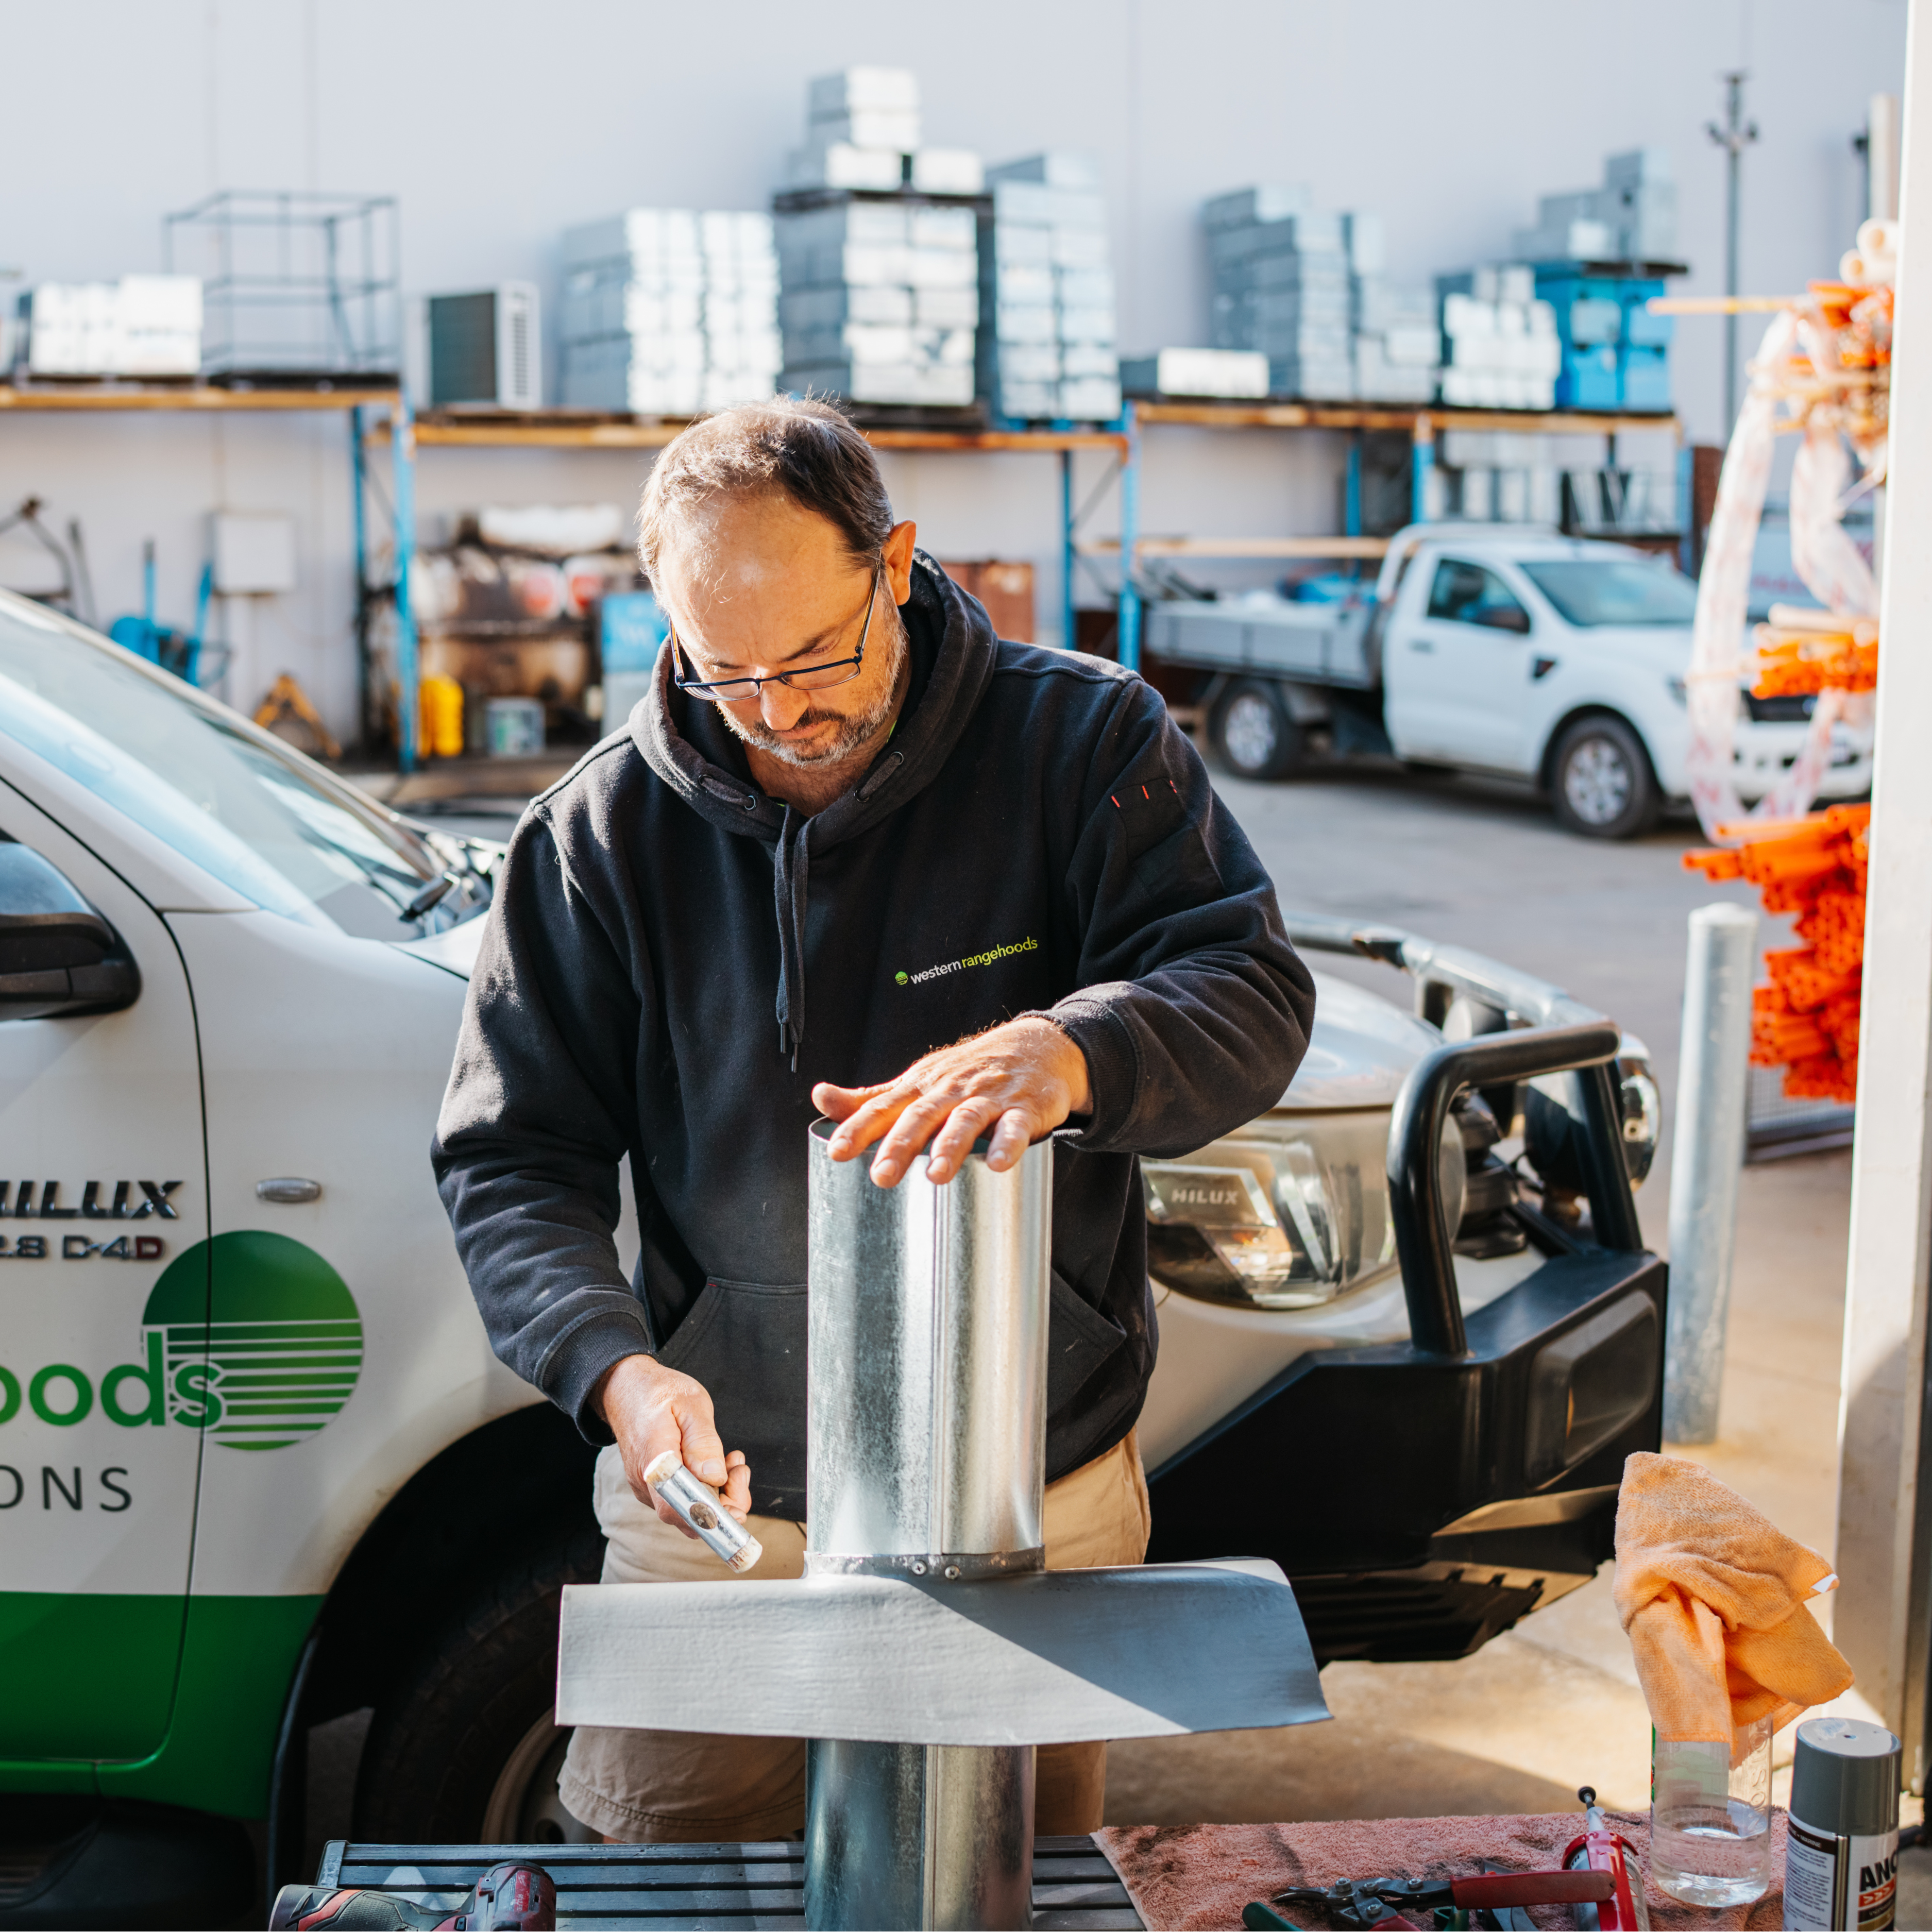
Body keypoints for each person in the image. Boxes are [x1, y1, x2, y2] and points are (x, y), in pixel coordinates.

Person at [432, 396, 1314, 1844]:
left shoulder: (1085, 744)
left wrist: (1072, 1048)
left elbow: (1250, 986)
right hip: (723, 1513)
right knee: (678, 1876)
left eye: (816, 655)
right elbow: (509, 1156)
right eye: (728, 675)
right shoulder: (596, 841)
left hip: (1038, 1487)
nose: (781, 712)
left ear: (894, 560)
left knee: (1006, 1877)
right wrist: (615, 1375)